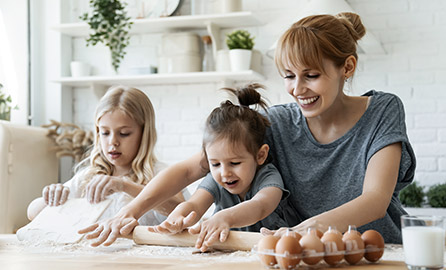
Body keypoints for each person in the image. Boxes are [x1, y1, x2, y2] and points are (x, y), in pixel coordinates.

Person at [80, 12, 415, 245]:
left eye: (311, 75)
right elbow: (193, 168)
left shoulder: (383, 110)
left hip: (379, 250)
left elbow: (374, 199)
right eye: (288, 76)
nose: (298, 88)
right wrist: (130, 212)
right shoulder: (281, 121)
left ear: (347, 67)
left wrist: (300, 230)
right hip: (307, 252)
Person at [148, 84, 296, 251]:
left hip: (272, 253)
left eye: (235, 163)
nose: (224, 173)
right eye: (215, 164)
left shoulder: (268, 177)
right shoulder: (215, 178)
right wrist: (178, 217)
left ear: (260, 155)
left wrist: (225, 217)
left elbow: (260, 206)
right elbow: (195, 205)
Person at [27, 85, 186, 226]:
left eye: (124, 134)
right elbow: (33, 213)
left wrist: (124, 186)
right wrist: (51, 196)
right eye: (105, 133)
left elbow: (182, 212)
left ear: (144, 134)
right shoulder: (89, 177)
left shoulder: (160, 174)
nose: (113, 142)